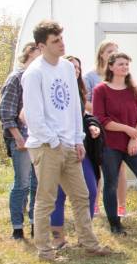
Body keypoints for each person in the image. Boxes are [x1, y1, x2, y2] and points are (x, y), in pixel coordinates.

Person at [20, 20, 115, 259]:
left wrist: (77, 139)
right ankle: (43, 248)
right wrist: (53, 141)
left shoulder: (65, 68)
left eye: (62, 38)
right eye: (55, 41)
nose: (62, 44)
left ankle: (88, 241)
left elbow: (75, 106)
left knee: (82, 195)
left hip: (70, 144)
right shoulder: (34, 73)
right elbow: (33, 115)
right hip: (46, 145)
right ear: (42, 45)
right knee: (47, 198)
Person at [92, 48, 137, 236]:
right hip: (111, 144)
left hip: (133, 144)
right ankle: (114, 224)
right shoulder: (101, 90)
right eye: (120, 64)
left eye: (127, 64)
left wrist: (134, 138)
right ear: (111, 67)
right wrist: (126, 129)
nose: (124, 67)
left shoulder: (135, 90)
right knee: (111, 183)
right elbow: (101, 119)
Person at [44, 55, 104, 237]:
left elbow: (82, 116)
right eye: (71, 67)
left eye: (77, 68)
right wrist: (52, 140)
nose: (74, 70)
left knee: (91, 190)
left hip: (78, 147)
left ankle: (85, 235)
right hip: (55, 147)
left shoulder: (79, 91)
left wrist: (92, 125)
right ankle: (57, 237)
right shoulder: (52, 86)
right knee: (59, 194)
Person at [0, 41, 41, 240]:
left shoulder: (41, 78)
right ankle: (17, 226)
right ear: (27, 56)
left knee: (37, 183)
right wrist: (18, 137)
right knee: (22, 183)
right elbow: (6, 112)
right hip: (21, 139)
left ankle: (35, 223)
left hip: (39, 139)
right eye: (35, 55)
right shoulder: (17, 78)